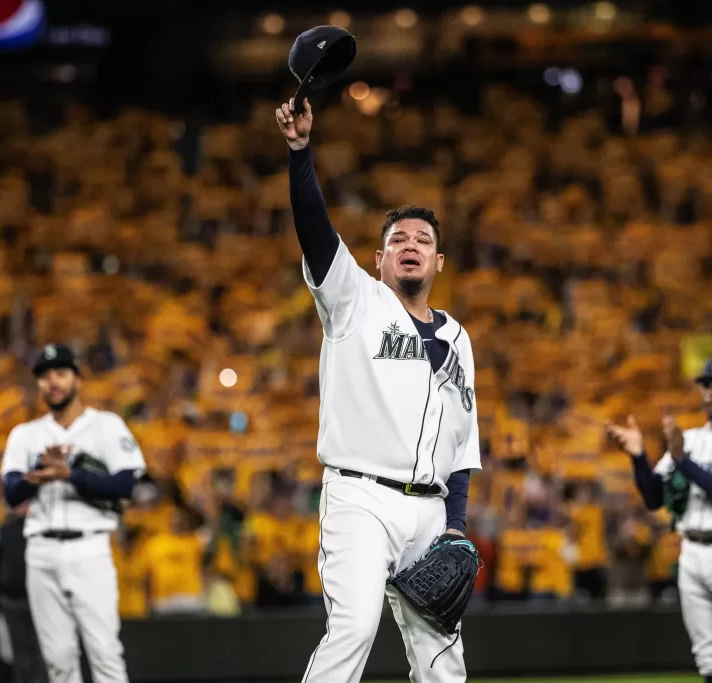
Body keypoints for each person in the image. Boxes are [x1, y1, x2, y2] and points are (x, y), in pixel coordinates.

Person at [275, 60, 481, 683]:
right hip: (360, 497)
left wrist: (456, 527)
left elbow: (463, 444)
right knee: (355, 628)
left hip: (430, 510)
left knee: (445, 664)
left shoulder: (457, 336)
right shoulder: (354, 300)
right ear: (379, 257)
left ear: (439, 260)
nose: (410, 243)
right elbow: (314, 228)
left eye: (422, 238)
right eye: (398, 239)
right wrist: (300, 153)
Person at [606, 356, 712, 683]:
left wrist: (682, 460)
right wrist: (639, 457)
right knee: (710, 657)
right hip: (692, 553)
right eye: (706, 385)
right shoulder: (693, 439)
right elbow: (654, 496)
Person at [0, 343, 146, 683]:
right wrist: (39, 470)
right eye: (45, 376)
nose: (53, 382)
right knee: (58, 661)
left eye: (61, 374)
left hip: (89, 548)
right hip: (40, 551)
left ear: (78, 380)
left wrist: (71, 475)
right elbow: (11, 492)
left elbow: (125, 485)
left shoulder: (107, 426)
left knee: (105, 653)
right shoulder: (26, 435)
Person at [0, 501, 49, 683]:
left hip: (39, 600)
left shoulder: (42, 530)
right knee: (11, 655)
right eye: (19, 502)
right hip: (7, 600)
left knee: (41, 656)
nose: (23, 507)